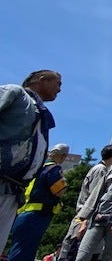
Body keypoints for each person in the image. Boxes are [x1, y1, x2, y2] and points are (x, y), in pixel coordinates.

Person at [0, 69, 61, 253]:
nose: (59, 90)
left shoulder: (41, 113)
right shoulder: (15, 93)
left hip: (13, 191)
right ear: (42, 80)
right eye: (57, 84)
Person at [59, 144, 112, 261]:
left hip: (85, 215)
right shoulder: (101, 170)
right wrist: (86, 220)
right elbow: (95, 196)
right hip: (86, 217)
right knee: (75, 251)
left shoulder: (99, 168)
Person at [8, 143, 69, 261]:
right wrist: (64, 182)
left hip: (22, 214)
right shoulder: (53, 169)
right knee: (25, 252)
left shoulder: (36, 167)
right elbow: (59, 190)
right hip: (37, 215)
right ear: (63, 156)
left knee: (18, 249)